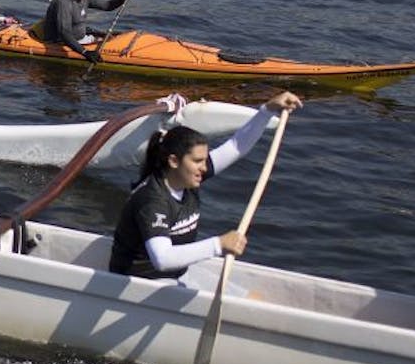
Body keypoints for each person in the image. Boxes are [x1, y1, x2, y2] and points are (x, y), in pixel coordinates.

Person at [110, 91, 304, 287]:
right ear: (174, 161)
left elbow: (237, 146)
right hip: (138, 284)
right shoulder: (152, 200)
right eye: (197, 161)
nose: (204, 167)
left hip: (175, 276)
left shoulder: (188, 177)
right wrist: (218, 245)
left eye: (204, 160)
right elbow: (162, 259)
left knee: (255, 297)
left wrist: (267, 110)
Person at [41, 0, 135, 62]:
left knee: (113, 37)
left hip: (82, 39)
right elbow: (64, 33)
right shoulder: (62, 1)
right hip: (61, 43)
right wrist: (85, 53)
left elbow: (108, 6)